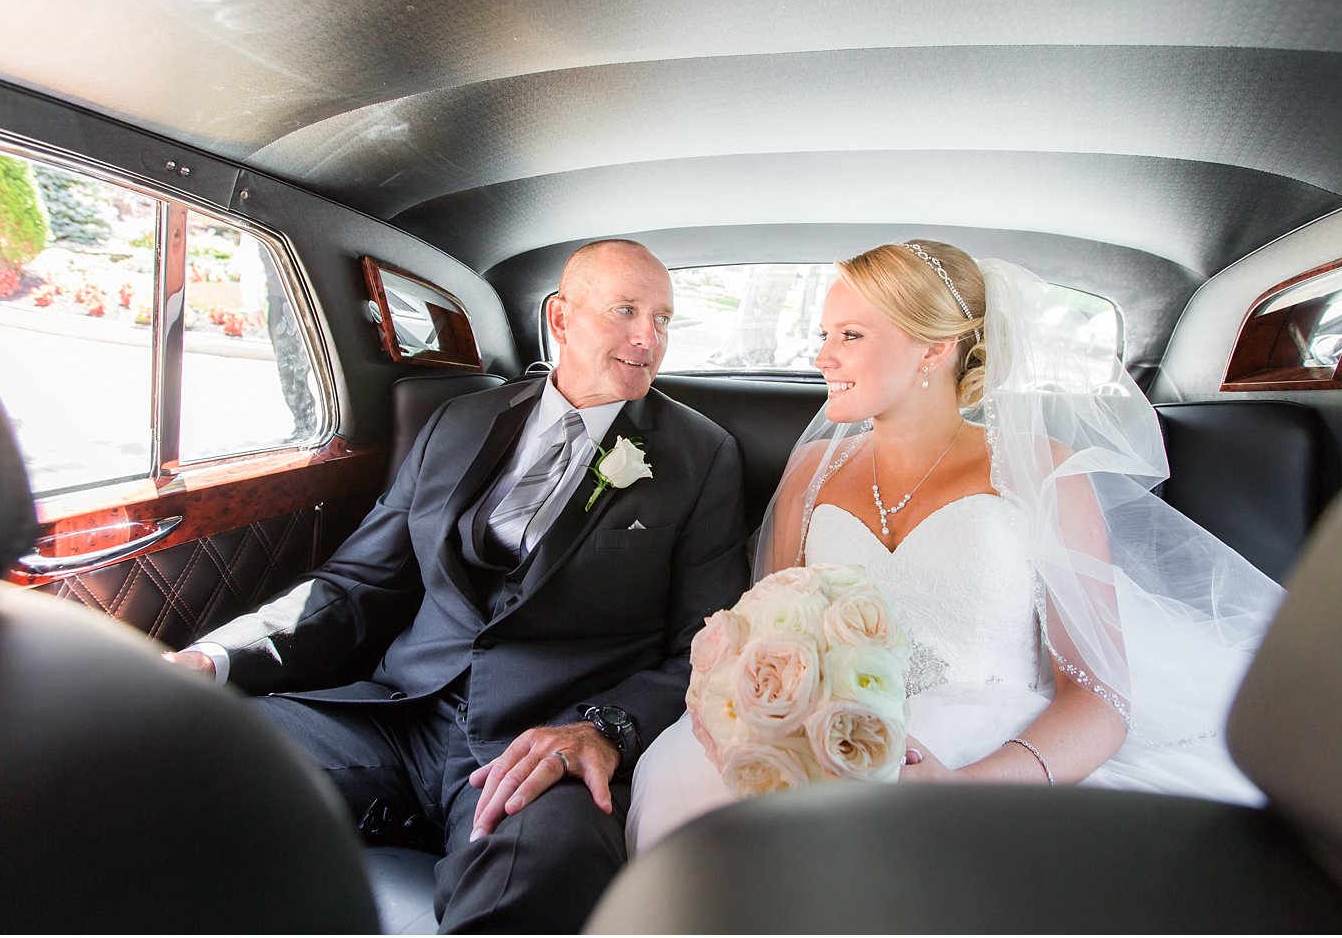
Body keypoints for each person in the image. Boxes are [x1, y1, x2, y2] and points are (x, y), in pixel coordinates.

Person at [165, 239, 749, 932]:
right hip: (397, 712)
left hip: (541, 746)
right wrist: (217, 657)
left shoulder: (702, 455)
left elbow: (706, 644)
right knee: (192, 752)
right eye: (626, 310)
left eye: (664, 318)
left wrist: (603, 729)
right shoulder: (459, 421)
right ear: (561, 319)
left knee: (540, 879)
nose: (648, 337)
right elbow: (353, 584)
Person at [627, 239, 1283, 854]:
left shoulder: (1044, 471)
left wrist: (967, 789)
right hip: (828, 750)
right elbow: (765, 637)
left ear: (934, 350)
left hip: (992, 756)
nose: (823, 356)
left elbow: (1099, 699)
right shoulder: (810, 473)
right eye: (824, 335)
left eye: (850, 336)